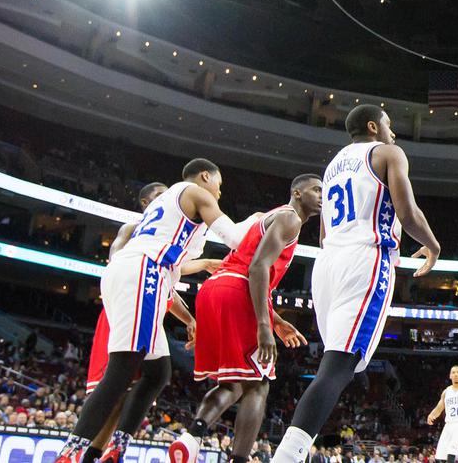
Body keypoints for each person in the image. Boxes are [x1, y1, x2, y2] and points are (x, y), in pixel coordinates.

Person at [270, 106, 441, 463]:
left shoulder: (332, 166)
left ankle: (289, 453)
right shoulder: (388, 153)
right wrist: (433, 245)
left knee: (337, 365)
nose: (393, 133)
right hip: (364, 259)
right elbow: (408, 212)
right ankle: (287, 457)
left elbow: (323, 233)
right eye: (389, 125)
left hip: (327, 263)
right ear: (373, 126)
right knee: (338, 367)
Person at [56, 160, 249, 463]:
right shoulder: (196, 192)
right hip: (143, 273)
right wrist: (262, 221)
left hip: (135, 274)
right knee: (122, 370)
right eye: (219, 185)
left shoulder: (168, 205)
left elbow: (173, 266)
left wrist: (190, 315)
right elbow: (236, 239)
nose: (219, 193)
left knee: (158, 372)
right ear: (205, 176)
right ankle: (71, 454)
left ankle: (114, 450)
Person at [169, 174, 324, 463]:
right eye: (316, 190)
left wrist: (275, 320)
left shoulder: (267, 218)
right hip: (238, 290)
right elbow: (257, 268)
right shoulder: (290, 218)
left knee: (232, 384)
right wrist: (265, 326)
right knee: (258, 385)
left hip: (213, 290)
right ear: (297, 193)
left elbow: (247, 267)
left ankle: (191, 438)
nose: (322, 196)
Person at [82, 182, 221, 463]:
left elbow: (169, 290)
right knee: (113, 387)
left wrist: (190, 318)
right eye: (160, 195)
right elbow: (121, 263)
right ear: (146, 203)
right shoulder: (132, 230)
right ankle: (83, 452)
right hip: (123, 307)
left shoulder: (167, 241)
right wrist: (202, 262)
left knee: (140, 386)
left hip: (150, 309)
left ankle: (108, 453)